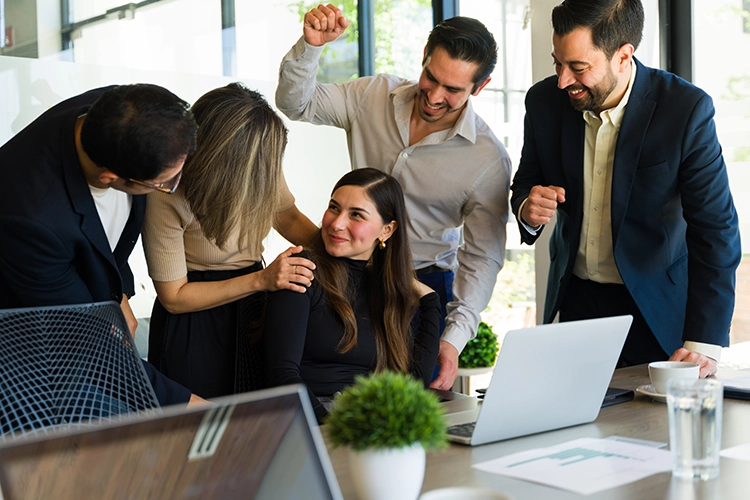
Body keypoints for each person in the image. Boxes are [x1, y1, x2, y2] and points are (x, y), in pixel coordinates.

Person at [275, 5, 511, 390]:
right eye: (430, 78)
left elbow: (482, 257)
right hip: (351, 278)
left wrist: (453, 339)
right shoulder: (373, 95)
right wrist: (311, 48)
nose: (434, 96)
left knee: (411, 413)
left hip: (420, 289)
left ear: (478, 88)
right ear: (423, 59)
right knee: (342, 395)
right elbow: (296, 104)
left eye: (453, 90)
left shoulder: (486, 159)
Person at [510, 0, 741, 378]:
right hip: (577, 302)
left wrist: (703, 343)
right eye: (558, 63)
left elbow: (715, 230)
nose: (563, 80)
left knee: (653, 432)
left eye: (578, 68)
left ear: (623, 55)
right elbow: (526, 180)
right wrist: (527, 206)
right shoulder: (543, 102)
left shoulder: (685, 110)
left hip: (657, 310)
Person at [0, 84, 203, 406]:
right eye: (166, 183)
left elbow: (107, 243)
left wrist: (119, 292)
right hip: (24, 338)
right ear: (109, 177)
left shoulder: (122, 109)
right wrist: (189, 406)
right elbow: (83, 340)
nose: (173, 186)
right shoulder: (29, 218)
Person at [142, 83, 318, 398]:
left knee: (259, 419)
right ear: (224, 159)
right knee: (200, 431)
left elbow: (288, 217)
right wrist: (262, 280)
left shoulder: (259, 161)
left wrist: (344, 246)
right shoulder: (164, 193)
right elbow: (174, 297)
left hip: (253, 306)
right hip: (194, 318)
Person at [263, 168, 441, 423]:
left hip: (369, 421)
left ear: (387, 231)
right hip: (315, 421)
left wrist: (429, 300)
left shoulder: (385, 289)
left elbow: (413, 389)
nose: (337, 223)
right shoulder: (302, 271)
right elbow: (282, 377)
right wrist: (339, 434)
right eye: (334, 208)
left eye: (356, 215)